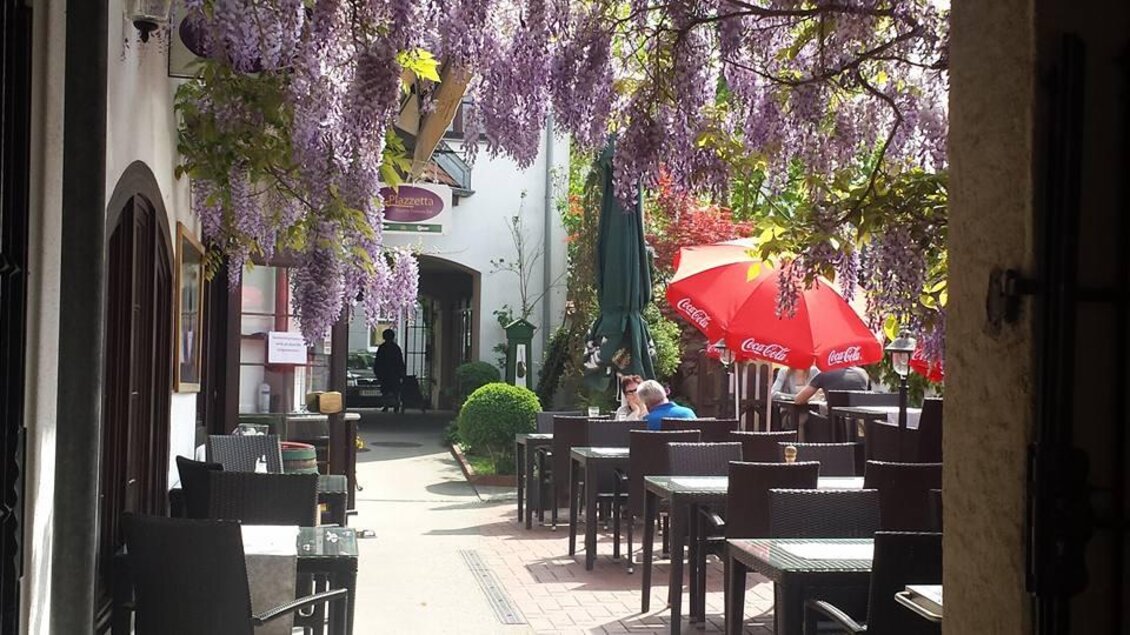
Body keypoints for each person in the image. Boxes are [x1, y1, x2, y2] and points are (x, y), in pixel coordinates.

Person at [793, 365, 869, 405]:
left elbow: (799, 400)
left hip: (833, 425)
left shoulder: (824, 374)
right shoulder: (863, 374)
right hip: (859, 425)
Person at [371, 328, 406, 412]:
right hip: (394, 372)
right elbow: (399, 360)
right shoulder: (395, 348)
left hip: (385, 372)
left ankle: (387, 405)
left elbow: (378, 361)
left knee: (386, 390)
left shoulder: (382, 347)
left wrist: (377, 371)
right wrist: (401, 372)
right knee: (395, 390)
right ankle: (396, 404)